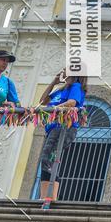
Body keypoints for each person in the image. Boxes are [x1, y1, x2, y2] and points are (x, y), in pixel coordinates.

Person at [38, 69, 87, 202]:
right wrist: (53, 82)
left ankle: (49, 196)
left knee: (49, 158)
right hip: (53, 128)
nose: (62, 71)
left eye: (66, 70)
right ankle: (45, 196)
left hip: (64, 127)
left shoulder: (75, 86)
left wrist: (54, 110)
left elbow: (72, 102)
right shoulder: (61, 89)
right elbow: (42, 101)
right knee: (47, 159)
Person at [0, 49, 21, 137]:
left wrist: (10, 105)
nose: (5, 63)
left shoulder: (7, 82)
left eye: (7, 61)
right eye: (2, 60)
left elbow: (17, 105)